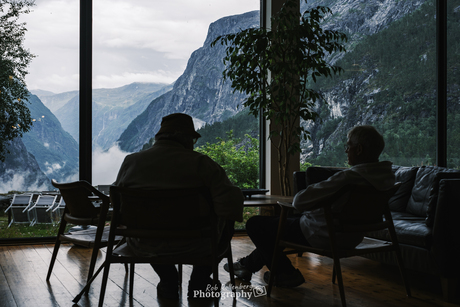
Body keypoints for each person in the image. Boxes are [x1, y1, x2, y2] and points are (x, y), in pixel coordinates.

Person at [225, 125, 395, 287]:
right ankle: (246, 266)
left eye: (348, 145)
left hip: (322, 234)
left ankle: (285, 273)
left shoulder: (348, 178)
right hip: (353, 237)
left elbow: (299, 201)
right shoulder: (388, 179)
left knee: (255, 224)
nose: (346, 150)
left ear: (359, 149)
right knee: (279, 226)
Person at [114, 113, 244, 299]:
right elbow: (230, 204)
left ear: (159, 137)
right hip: (197, 244)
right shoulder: (201, 163)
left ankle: (167, 278)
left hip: (145, 244)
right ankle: (200, 279)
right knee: (227, 221)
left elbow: (119, 205)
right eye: (192, 139)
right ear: (185, 139)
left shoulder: (131, 162)